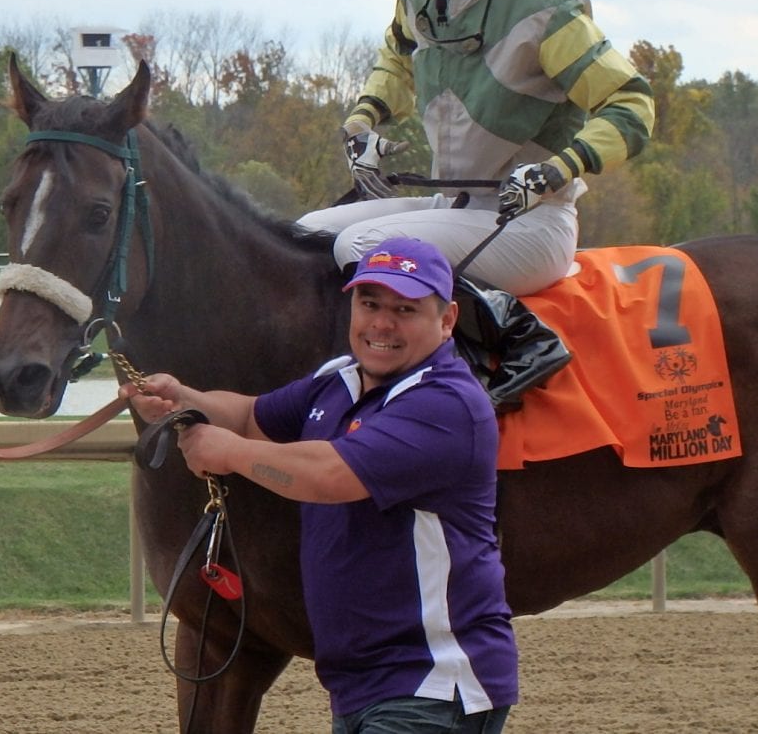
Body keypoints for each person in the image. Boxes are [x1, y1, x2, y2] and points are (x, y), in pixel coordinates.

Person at [297, 0, 655, 409]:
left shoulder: (549, 3)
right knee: (305, 235)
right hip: (451, 209)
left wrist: (556, 170)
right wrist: (363, 123)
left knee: (361, 249)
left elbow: (632, 105)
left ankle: (476, 374)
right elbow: (396, 61)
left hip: (531, 226)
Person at [123, 237, 518, 733]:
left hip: (432, 686)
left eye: (404, 309)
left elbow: (330, 475)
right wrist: (184, 397)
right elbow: (249, 415)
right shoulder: (340, 380)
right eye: (369, 303)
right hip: (367, 686)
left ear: (447, 320)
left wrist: (226, 453)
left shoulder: (444, 403)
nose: (381, 323)